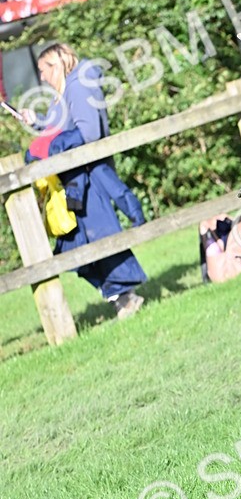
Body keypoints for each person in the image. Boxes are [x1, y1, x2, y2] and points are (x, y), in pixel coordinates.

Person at [22, 43, 147, 318]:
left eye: (43, 70)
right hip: (76, 178)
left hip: (89, 176)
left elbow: (89, 133)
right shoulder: (66, 89)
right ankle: (121, 297)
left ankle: (126, 298)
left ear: (56, 64)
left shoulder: (78, 86)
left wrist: (49, 148)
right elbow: (63, 127)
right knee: (79, 247)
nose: (41, 77)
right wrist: (38, 123)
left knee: (98, 240)